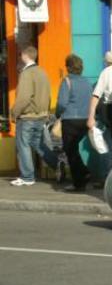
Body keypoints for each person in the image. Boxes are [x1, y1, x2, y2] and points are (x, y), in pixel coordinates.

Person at [9, 46, 58, 186]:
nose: (19, 58)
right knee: (37, 144)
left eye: (20, 55)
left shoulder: (26, 74)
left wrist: (14, 113)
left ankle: (27, 177)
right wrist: (46, 112)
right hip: (41, 116)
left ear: (25, 56)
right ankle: (56, 163)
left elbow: (24, 97)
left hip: (28, 116)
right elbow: (48, 95)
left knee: (23, 145)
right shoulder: (42, 72)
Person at [55, 54, 93, 192]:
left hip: (70, 120)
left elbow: (62, 103)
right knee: (74, 149)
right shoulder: (87, 82)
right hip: (84, 120)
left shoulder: (67, 81)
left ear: (68, 67)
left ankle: (80, 181)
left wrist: (57, 114)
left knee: (70, 150)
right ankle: (83, 174)